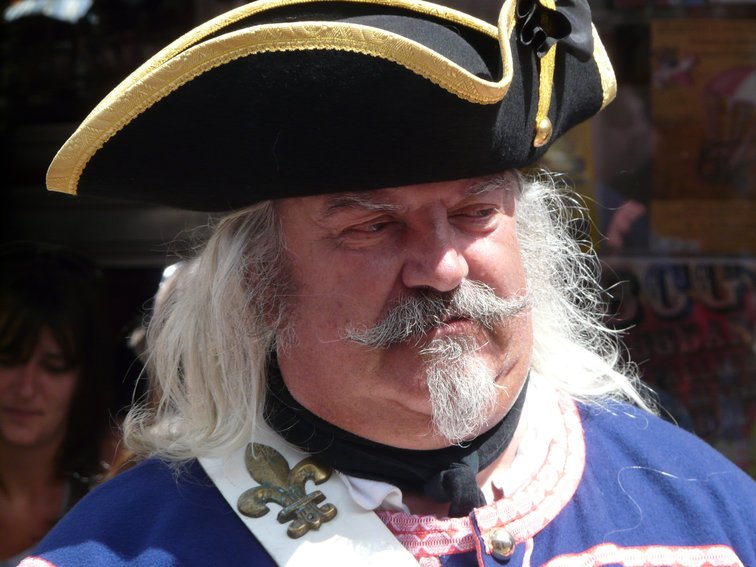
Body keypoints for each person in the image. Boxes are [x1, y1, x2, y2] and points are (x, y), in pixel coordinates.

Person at [20, 1, 755, 566]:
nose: (442, 267)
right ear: (259, 285)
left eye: (474, 214)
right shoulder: (114, 552)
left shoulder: (713, 516)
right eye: (372, 227)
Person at [0, 243, 113, 567]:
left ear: (84, 378)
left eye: (55, 367)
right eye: (8, 359)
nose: (26, 388)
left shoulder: (119, 478)